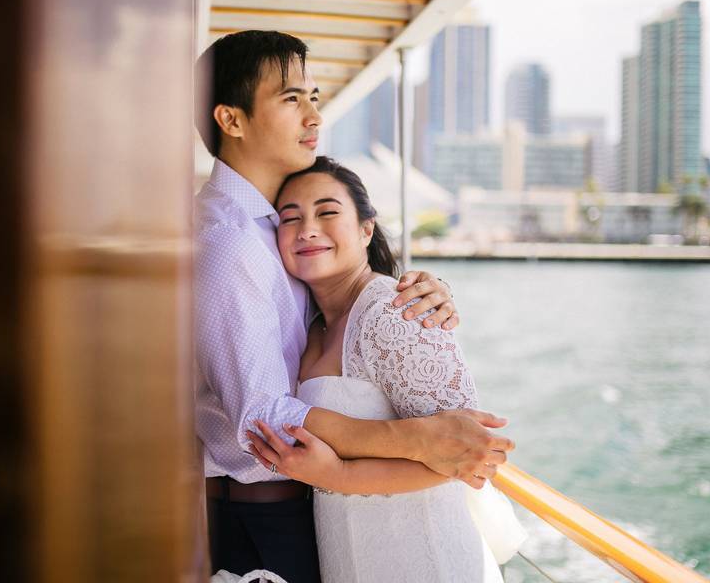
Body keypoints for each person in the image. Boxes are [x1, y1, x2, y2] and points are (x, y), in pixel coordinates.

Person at [194, 30, 514, 582]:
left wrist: (421, 289)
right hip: (263, 511)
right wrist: (414, 439)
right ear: (233, 120)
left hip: (317, 512)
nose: (314, 116)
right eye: (292, 99)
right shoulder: (230, 242)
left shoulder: (268, 230)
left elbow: (348, 304)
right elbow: (260, 416)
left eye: (314, 98)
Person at [247, 157, 506, 581]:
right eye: (291, 219)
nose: (308, 229)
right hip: (352, 556)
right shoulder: (307, 324)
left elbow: (469, 454)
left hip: (426, 560)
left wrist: (338, 474)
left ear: (367, 228)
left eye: (327, 212)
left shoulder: (395, 311)